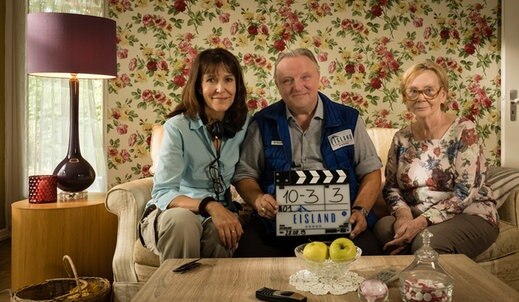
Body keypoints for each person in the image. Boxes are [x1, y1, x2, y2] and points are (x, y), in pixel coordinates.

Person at [233, 48, 383, 257]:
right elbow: (244, 174)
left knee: (371, 263)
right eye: (287, 80)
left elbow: (371, 172)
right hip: (275, 226)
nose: (298, 86)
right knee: (248, 262)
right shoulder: (263, 122)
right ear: (278, 86)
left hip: (342, 224)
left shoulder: (348, 119)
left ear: (318, 78)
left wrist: (360, 210)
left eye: (305, 77)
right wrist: (258, 199)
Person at [374, 60, 499, 259]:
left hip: (469, 214)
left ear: (443, 94)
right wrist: (403, 215)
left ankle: (441, 289)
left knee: (427, 244)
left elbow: (465, 192)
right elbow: (391, 187)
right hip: (415, 215)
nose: (421, 97)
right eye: (413, 91)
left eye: (429, 90)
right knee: (382, 229)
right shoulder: (401, 137)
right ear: (405, 98)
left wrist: (420, 222)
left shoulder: (464, 130)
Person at [139, 48, 251, 262]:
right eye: (211, 79)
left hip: (218, 213)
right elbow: (163, 192)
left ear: (237, 85)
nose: (221, 88)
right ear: (199, 86)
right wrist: (210, 205)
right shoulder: (177, 127)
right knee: (183, 222)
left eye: (228, 79)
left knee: (222, 233)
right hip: (173, 212)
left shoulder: (245, 125)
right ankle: (177, 294)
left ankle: (215, 295)